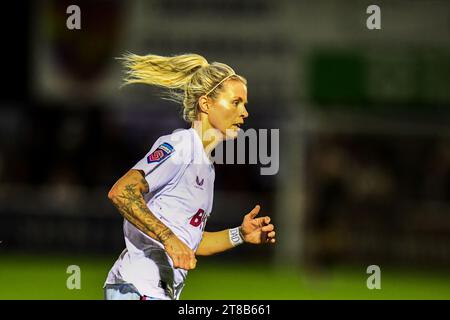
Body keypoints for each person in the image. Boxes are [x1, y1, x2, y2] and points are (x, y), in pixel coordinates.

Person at [104, 53, 276, 300]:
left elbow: (193, 242)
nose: (245, 112)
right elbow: (121, 192)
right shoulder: (181, 146)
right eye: (236, 102)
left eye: (245, 104)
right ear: (206, 104)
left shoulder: (206, 167)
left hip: (154, 292)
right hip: (137, 289)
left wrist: (240, 234)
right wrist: (168, 239)